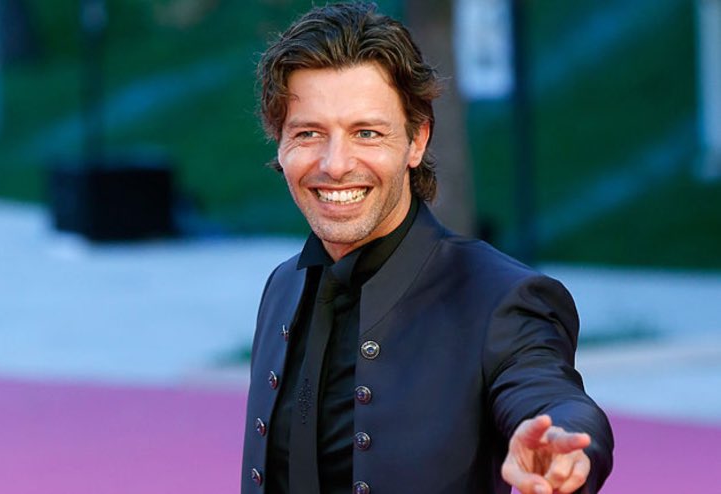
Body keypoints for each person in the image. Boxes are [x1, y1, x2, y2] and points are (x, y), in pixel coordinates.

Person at [241, 3, 614, 494]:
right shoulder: (282, 287)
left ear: (416, 141)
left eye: (366, 133)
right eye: (308, 134)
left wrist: (563, 444)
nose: (335, 164)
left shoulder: (499, 297)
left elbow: (549, 394)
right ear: (280, 143)